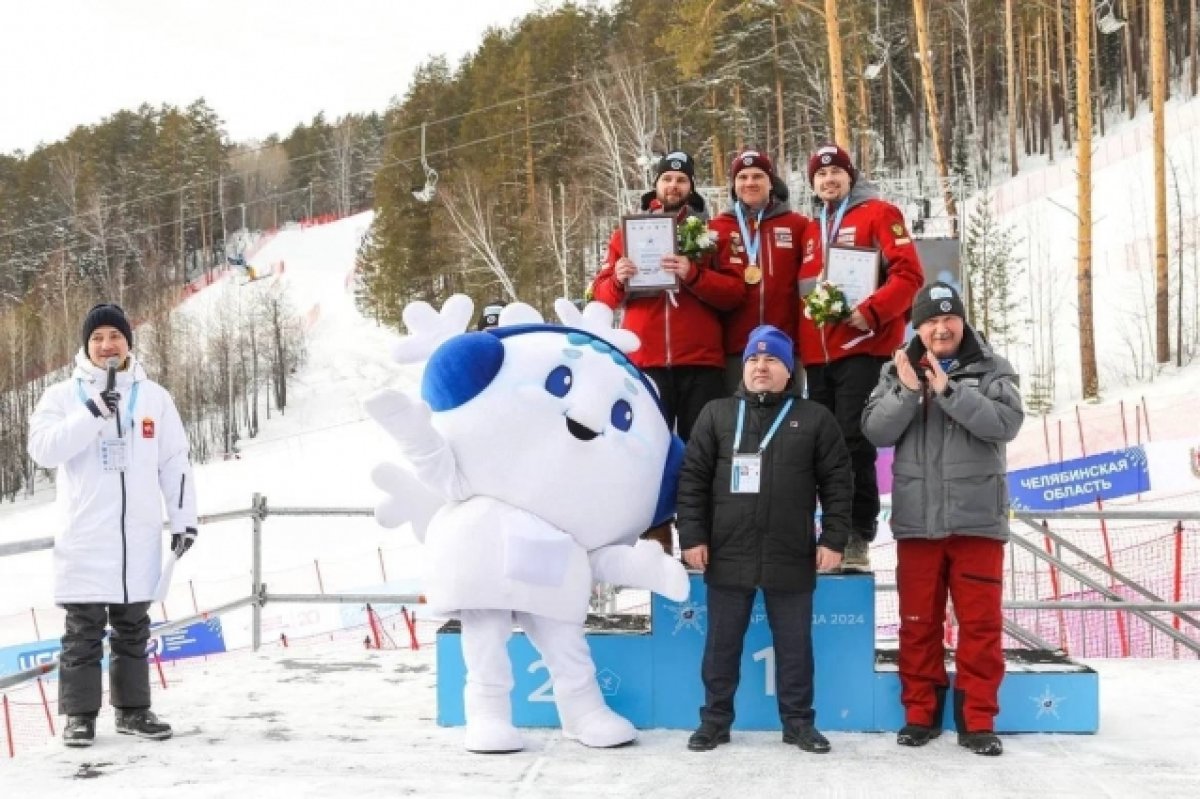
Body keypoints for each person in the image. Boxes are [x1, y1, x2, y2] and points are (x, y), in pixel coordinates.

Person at [861, 283, 1024, 757]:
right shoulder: (898, 370)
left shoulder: (992, 367)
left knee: (979, 626)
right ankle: (920, 713)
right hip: (918, 523)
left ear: (962, 322)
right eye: (930, 320)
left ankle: (977, 720)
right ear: (918, 326)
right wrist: (910, 392)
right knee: (917, 624)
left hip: (977, 523)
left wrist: (948, 391)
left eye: (948, 319)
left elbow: (1006, 424)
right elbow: (875, 429)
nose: (940, 327)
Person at [28, 303, 198, 748]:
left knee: (133, 628)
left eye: (115, 337)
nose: (107, 345)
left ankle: (133, 712)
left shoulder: (155, 397)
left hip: (137, 537)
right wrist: (92, 412)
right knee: (82, 632)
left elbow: (174, 462)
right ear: (86, 345)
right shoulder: (61, 395)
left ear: (128, 343)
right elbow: (44, 450)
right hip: (86, 536)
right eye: (98, 337)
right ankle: (80, 718)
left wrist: (183, 519)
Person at [676, 325, 852, 754]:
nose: (761, 366)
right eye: (754, 359)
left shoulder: (814, 419)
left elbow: (838, 484)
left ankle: (798, 724)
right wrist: (693, 535)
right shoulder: (716, 414)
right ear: (744, 368)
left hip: (790, 551)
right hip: (727, 550)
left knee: (795, 648)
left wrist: (832, 539)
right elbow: (693, 480)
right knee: (721, 645)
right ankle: (714, 721)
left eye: (772, 359)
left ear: (788, 371)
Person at [796, 143, 926, 571]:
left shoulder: (879, 213)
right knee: (821, 447)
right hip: (818, 357)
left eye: (836, 172)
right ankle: (828, 530)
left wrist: (869, 314)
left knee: (854, 443)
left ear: (851, 176)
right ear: (813, 183)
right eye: (821, 174)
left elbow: (909, 274)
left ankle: (857, 534)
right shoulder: (811, 230)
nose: (829, 180)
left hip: (863, 349)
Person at [590, 151, 744, 443]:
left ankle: (695, 492)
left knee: (700, 450)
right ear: (656, 184)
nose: (674, 185)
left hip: (700, 362)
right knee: (647, 448)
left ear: (692, 186)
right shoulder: (624, 234)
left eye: (682, 180)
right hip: (645, 359)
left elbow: (735, 294)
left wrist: (694, 275)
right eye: (667, 179)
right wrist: (618, 279)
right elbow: (601, 297)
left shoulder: (713, 234)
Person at [709, 150, 810, 393]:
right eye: (742, 177)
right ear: (734, 185)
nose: (750, 182)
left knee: (788, 423)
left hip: (786, 346)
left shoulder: (797, 225)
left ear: (771, 182)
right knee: (737, 422)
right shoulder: (716, 228)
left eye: (757, 176)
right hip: (736, 348)